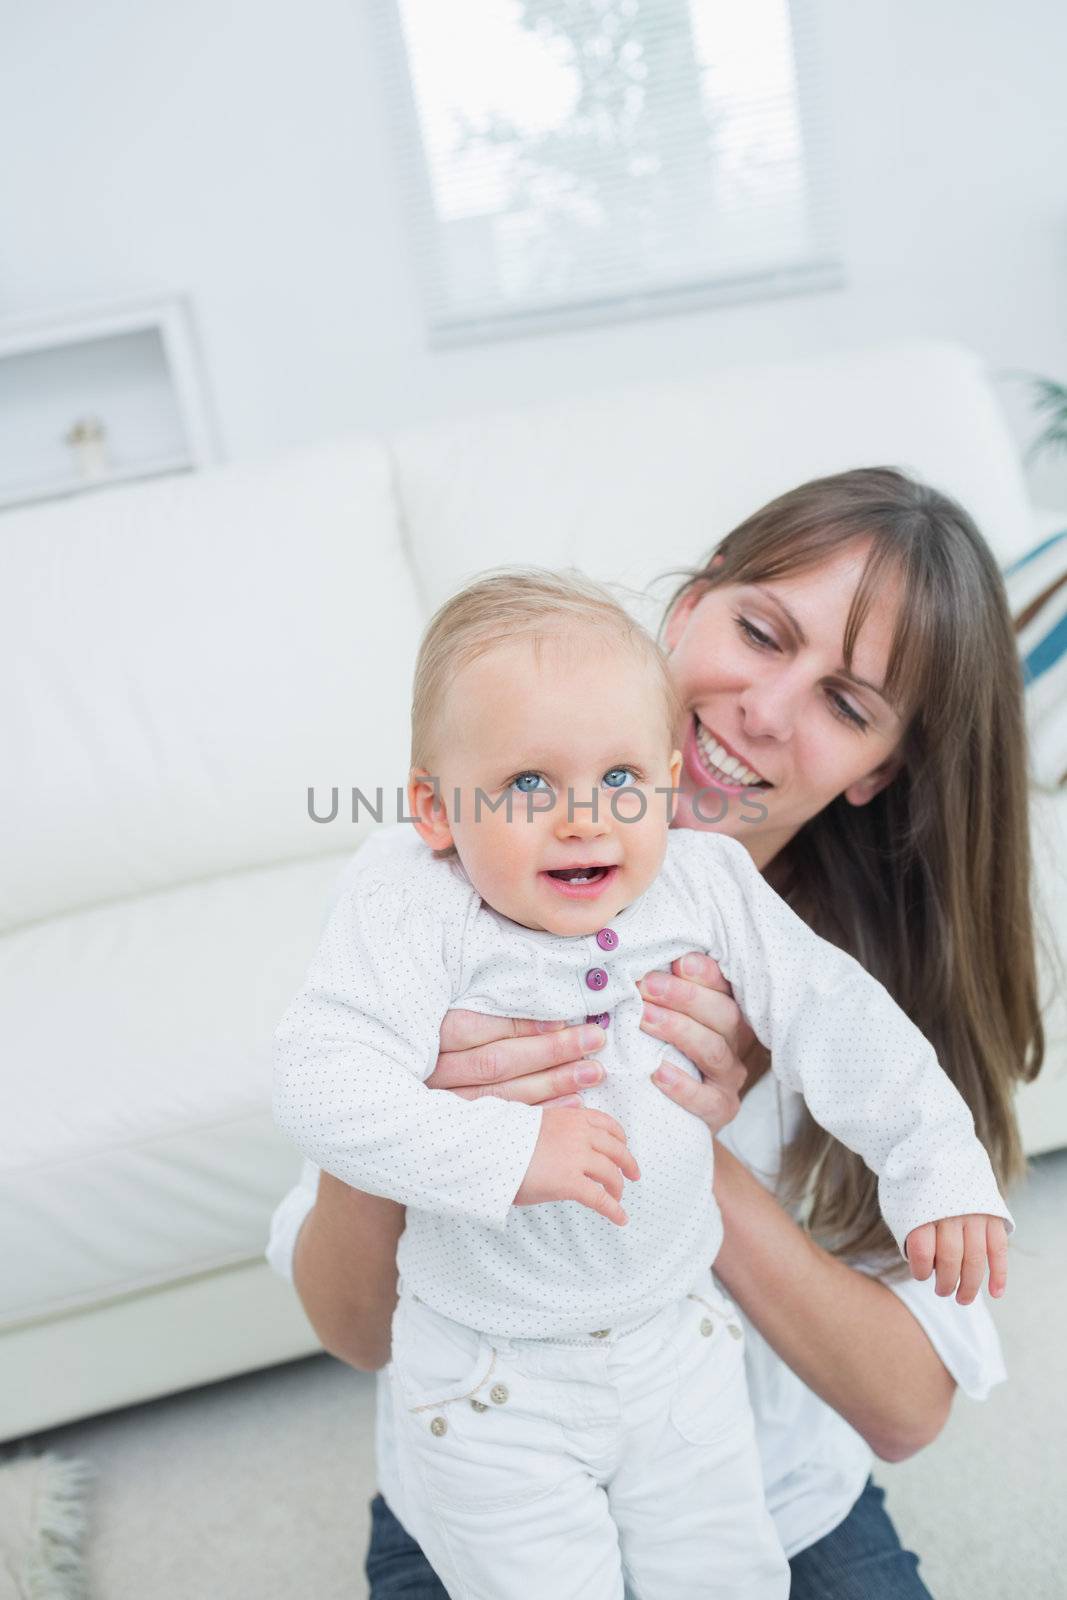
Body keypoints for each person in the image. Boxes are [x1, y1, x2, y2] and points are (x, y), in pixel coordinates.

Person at [266, 469, 1044, 1599]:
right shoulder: (438, 890)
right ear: (691, 604)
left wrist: (683, 1141)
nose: (766, 711)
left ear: (879, 768)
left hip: (756, 1489)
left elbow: (905, 1407)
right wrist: (430, 1124)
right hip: (492, 1463)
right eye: (761, 634)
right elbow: (355, 1331)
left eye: (845, 704)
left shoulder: (840, 971)